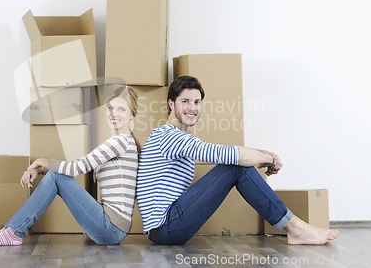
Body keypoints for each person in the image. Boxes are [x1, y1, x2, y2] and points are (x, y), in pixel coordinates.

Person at [136, 75, 339, 246]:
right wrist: (268, 158)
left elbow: (223, 153)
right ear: (171, 104)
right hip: (166, 226)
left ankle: (295, 228)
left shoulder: (177, 138)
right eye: (185, 102)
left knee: (236, 164)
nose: (192, 108)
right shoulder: (169, 136)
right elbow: (229, 155)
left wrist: (262, 153)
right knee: (236, 167)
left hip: (167, 227)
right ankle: (295, 228)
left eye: (197, 102)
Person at [0, 86, 140, 246]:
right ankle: (12, 232)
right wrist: (40, 169)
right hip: (111, 227)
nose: (114, 114)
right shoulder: (123, 142)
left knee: (56, 176)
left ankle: (12, 232)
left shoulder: (119, 142)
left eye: (121, 109)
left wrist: (41, 161)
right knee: (56, 175)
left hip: (111, 228)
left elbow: (76, 168)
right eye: (110, 107)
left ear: (132, 114)